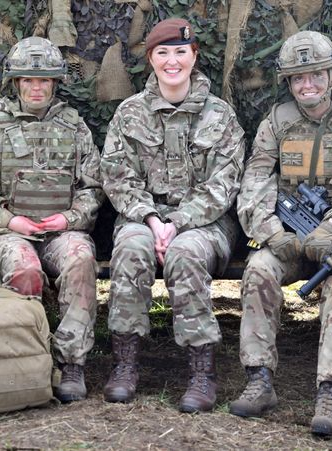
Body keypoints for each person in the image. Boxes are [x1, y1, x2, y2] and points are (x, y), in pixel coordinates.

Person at [234, 30, 332, 436]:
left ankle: (331, 389)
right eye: (298, 78)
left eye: (316, 75)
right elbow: (255, 181)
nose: (307, 85)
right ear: (288, 83)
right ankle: (259, 380)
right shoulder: (276, 123)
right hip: (289, 233)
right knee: (259, 269)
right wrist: (269, 232)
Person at [100, 18, 245, 413]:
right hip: (142, 217)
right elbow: (116, 177)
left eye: (180, 52)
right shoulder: (130, 114)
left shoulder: (221, 116)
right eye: (162, 53)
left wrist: (178, 222)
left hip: (206, 221)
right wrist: (150, 220)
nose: (172, 61)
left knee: (185, 253)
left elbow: (225, 185)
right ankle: (125, 366)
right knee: (130, 249)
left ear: (194, 56)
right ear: (151, 59)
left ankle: (202, 373)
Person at [0, 36, 104, 404]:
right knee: (25, 270)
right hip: (9, 232)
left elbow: (94, 188)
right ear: (16, 83)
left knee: (81, 260)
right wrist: (10, 222)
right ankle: (28, 364)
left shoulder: (75, 128)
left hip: (60, 229)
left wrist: (67, 219)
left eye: (43, 81)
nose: (36, 88)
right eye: (27, 80)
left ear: (55, 83)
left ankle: (71, 364)